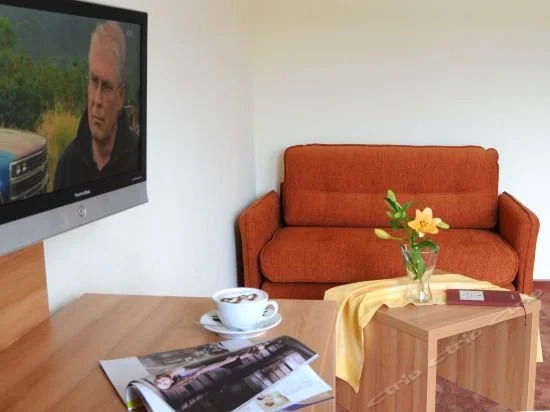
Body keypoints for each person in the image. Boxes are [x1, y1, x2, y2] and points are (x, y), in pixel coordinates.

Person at [53, 21, 139, 190]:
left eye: (106, 86)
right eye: (93, 81)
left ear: (121, 96)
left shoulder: (139, 156)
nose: (97, 100)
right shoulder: (67, 165)